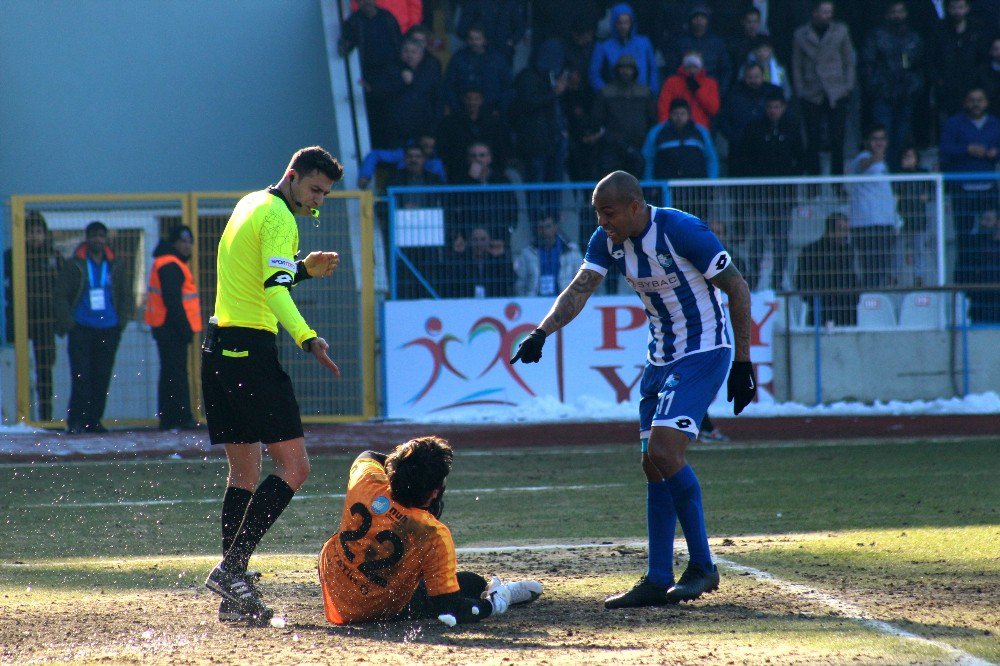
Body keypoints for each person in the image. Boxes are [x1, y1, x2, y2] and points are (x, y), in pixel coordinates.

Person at [510, 171, 755, 608]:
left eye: (609, 212)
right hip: (659, 357)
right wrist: (541, 332)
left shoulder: (682, 230)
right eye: (597, 213)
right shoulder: (607, 241)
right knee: (652, 465)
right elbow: (580, 289)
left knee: (665, 452)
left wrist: (742, 360)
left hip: (703, 351)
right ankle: (658, 577)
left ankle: (703, 566)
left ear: (635, 207)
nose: (603, 221)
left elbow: (736, 286)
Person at [203, 146, 345, 626]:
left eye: (324, 194)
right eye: (314, 190)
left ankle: (233, 591)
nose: (318, 202)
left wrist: (304, 268)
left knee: (244, 473)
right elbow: (273, 291)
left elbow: (259, 280)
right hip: (250, 351)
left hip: (219, 346)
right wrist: (308, 337)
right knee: (295, 467)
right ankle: (231, 569)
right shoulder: (282, 218)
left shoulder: (250, 203)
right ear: (292, 176)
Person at [319, 436, 543, 625]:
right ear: (433, 492)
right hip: (372, 610)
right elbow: (449, 607)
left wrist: (405, 470)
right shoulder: (432, 532)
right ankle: (499, 596)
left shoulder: (367, 481)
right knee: (472, 584)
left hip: (333, 580)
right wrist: (490, 606)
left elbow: (367, 454)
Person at [54, 221, 133, 434]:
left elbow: (126, 295)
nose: (97, 239)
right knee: (81, 377)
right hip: (81, 328)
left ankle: (94, 420)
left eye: (101, 236)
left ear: (106, 239)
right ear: (87, 238)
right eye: (94, 236)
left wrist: (121, 322)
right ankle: (76, 421)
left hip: (108, 328)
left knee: (102, 376)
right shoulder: (75, 264)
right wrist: (69, 324)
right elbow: (60, 294)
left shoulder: (116, 264)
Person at [735, 90, 806, 290]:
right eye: (769, 107)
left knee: (781, 241)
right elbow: (745, 157)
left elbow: (801, 157)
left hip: (784, 196)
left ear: (783, 108)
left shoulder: (792, 127)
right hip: (759, 195)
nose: (773, 111)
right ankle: (755, 281)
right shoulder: (754, 128)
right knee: (757, 240)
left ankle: (778, 281)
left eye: (777, 107)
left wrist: (790, 178)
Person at [3, 211, 64, 422]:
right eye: (30, 232)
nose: (34, 236)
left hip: (46, 320)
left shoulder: (54, 257)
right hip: (20, 319)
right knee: (18, 369)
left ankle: (45, 418)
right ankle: (19, 418)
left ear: (45, 234)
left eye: (38, 231)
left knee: (45, 370)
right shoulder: (13, 256)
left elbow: (63, 289)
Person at [145, 225, 201, 431]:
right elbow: (173, 300)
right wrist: (184, 328)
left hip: (165, 327)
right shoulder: (171, 264)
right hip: (171, 328)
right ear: (174, 242)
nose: (187, 246)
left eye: (189, 241)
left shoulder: (167, 262)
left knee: (170, 373)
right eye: (183, 241)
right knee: (176, 374)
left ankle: (170, 418)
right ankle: (180, 417)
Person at [792, 0, 856, 175]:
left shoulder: (841, 31)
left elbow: (849, 61)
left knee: (837, 139)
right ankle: (814, 182)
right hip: (812, 92)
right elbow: (797, 65)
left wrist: (848, 86)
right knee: (812, 139)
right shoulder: (800, 34)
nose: (828, 15)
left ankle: (837, 182)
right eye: (824, 12)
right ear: (815, 13)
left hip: (836, 90)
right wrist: (801, 90)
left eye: (830, 12)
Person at [939, 87, 1000, 271]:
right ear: (965, 102)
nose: (976, 104)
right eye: (972, 100)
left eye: (980, 100)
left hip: (988, 189)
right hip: (962, 189)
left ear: (986, 103)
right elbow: (945, 149)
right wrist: (967, 149)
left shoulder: (995, 124)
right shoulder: (954, 123)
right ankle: (963, 286)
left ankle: (988, 283)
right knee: (964, 238)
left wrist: (995, 153)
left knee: (989, 236)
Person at [861, 1, 925, 169]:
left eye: (900, 11)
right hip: (883, 96)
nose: (897, 15)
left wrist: (913, 87)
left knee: (902, 139)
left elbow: (920, 66)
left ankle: (898, 178)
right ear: (887, 14)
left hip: (906, 96)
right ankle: (884, 174)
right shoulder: (876, 36)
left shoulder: (913, 37)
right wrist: (877, 88)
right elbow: (868, 65)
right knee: (882, 139)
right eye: (893, 12)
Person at [848, 125, 899, 289]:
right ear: (867, 142)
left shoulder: (885, 163)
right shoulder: (862, 157)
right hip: (866, 224)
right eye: (875, 139)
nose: (879, 142)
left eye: (882, 139)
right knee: (869, 269)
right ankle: (868, 303)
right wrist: (876, 157)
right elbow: (862, 165)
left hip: (885, 223)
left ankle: (875, 304)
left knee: (881, 270)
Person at [591, 53, 658, 177]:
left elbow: (652, 118)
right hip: (612, 146)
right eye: (622, 68)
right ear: (617, 70)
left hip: (640, 144)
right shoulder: (606, 92)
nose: (626, 72)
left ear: (634, 70)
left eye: (629, 68)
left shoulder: (645, 92)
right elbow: (597, 119)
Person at [795, 212, 859, 326]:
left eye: (847, 230)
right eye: (842, 230)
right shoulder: (811, 252)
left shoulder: (848, 251)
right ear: (830, 231)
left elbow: (852, 279)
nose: (846, 234)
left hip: (846, 310)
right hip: (820, 308)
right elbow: (801, 283)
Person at [442, 24, 512, 116]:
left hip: (491, 111)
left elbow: (507, 86)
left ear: (485, 40)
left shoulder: (498, 60)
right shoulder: (458, 58)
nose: (474, 42)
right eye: (471, 39)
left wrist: (499, 109)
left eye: (477, 39)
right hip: (463, 111)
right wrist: (456, 109)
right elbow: (449, 84)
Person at [589, 3, 658, 95]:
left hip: (642, 96)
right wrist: (605, 92)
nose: (623, 27)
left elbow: (653, 69)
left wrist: (652, 91)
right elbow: (594, 73)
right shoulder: (603, 46)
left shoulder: (644, 42)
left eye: (626, 22)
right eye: (619, 22)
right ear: (614, 23)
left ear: (631, 23)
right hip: (616, 98)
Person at [665, 5, 732, 94]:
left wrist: (720, 92)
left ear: (707, 21)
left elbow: (726, 70)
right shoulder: (681, 43)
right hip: (685, 90)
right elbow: (673, 69)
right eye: (696, 17)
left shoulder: (718, 43)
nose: (699, 21)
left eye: (702, 18)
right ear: (690, 20)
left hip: (711, 90)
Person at [514, 214, 584, 296]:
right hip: (535, 302)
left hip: (564, 302)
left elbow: (581, 280)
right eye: (541, 227)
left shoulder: (571, 252)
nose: (544, 231)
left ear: (555, 227)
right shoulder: (527, 254)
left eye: (548, 227)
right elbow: (520, 284)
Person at [443, 225, 514, 298]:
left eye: (483, 239)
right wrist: (456, 254)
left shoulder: (497, 261)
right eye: (475, 239)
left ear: (489, 241)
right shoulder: (463, 261)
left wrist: (503, 256)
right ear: (470, 241)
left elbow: (509, 280)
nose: (479, 243)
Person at [656, 51, 721, 129]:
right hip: (675, 127)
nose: (692, 70)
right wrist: (665, 127)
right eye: (689, 66)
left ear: (700, 67)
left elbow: (713, 109)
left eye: (695, 67)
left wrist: (698, 91)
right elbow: (663, 107)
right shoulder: (672, 82)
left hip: (699, 129)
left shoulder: (710, 83)